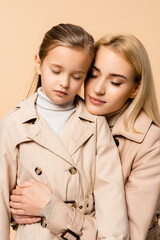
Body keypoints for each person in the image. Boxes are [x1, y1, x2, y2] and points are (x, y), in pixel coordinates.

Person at [11, 33, 160, 240]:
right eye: (92, 74)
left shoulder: (150, 143)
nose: (98, 89)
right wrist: (17, 208)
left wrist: (50, 209)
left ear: (135, 89)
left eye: (115, 82)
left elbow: (129, 235)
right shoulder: (49, 117)